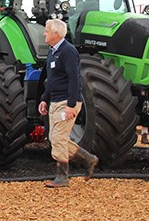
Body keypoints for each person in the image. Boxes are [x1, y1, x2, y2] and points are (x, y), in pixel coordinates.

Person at [38, 19, 99, 188]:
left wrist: (71, 105)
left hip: (66, 102)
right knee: (55, 138)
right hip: (54, 101)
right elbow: (52, 80)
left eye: (47, 30)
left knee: (58, 138)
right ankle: (89, 159)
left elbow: (74, 79)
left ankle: (62, 176)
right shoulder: (52, 52)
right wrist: (44, 98)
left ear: (56, 34)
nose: (44, 33)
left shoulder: (68, 52)